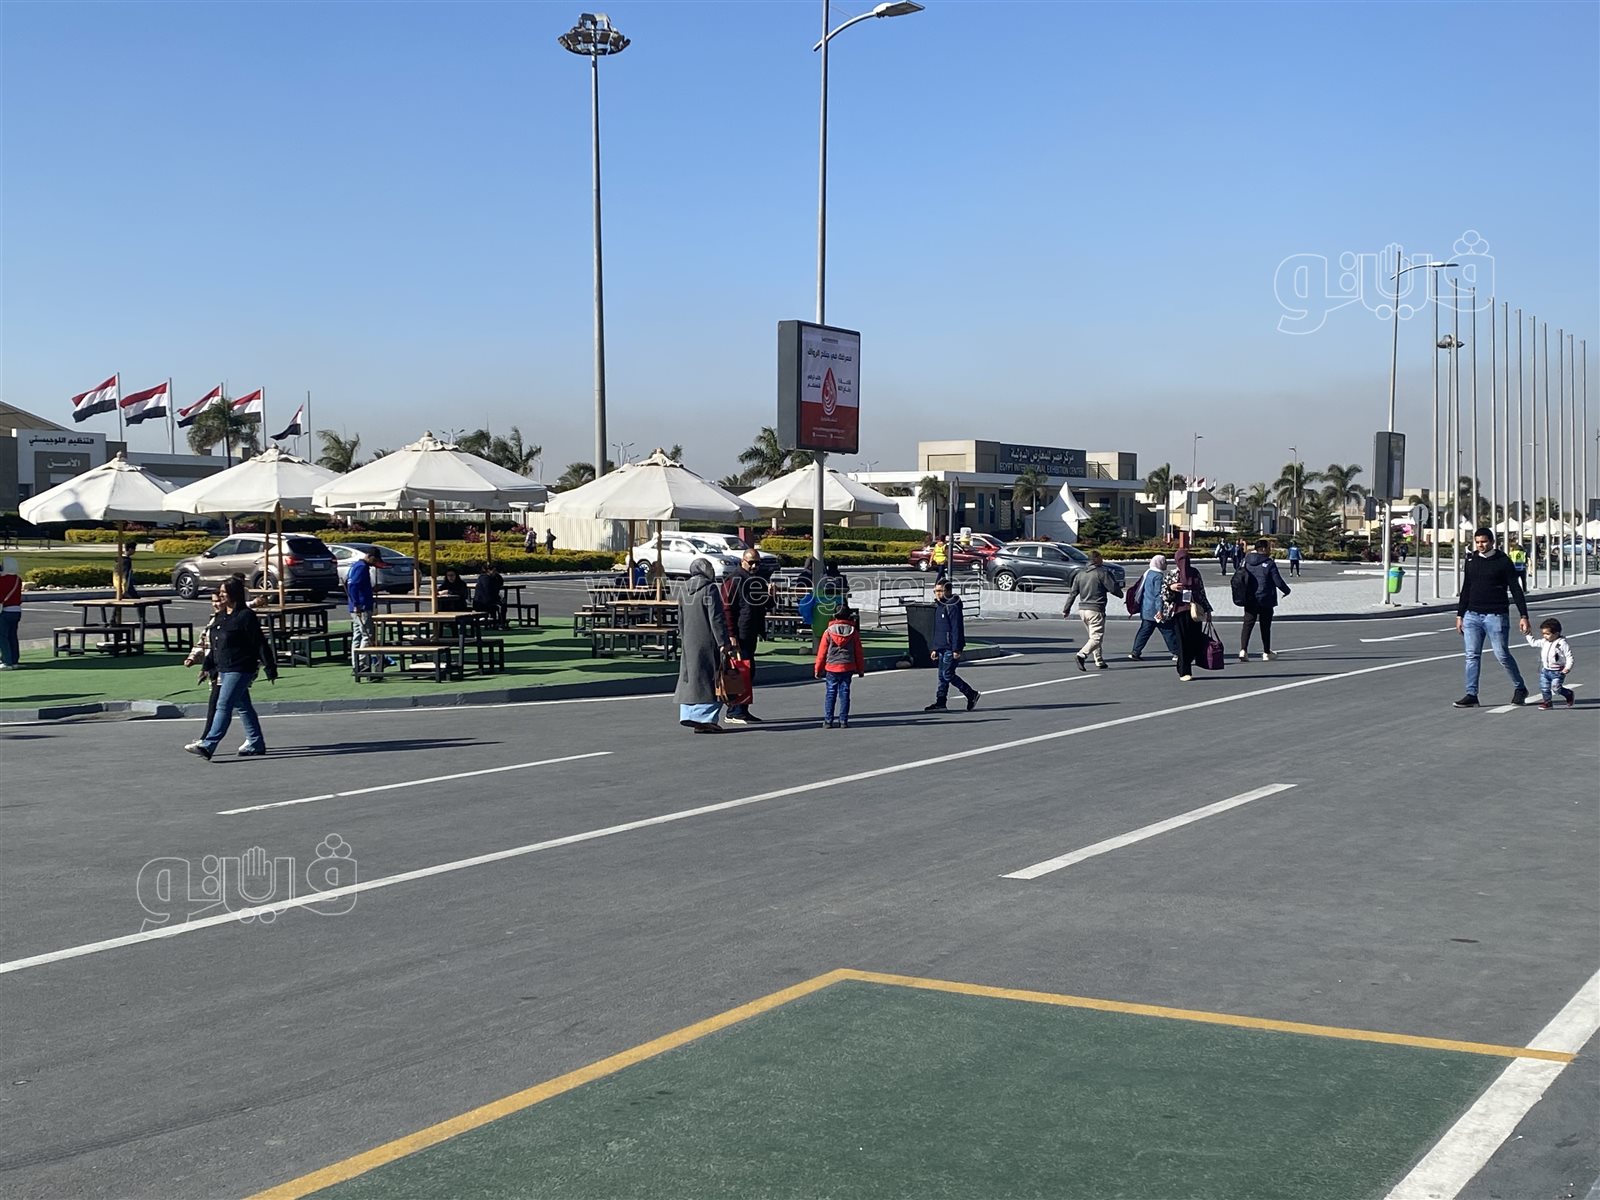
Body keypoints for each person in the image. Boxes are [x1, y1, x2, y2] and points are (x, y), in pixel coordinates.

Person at [184, 576, 277, 760]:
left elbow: (259, 643)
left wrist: (270, 665)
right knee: (243, 706)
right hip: (223, 667)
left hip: (241, 667)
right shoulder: (221, 616)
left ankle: (209, 745)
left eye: (224, 593)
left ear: (234, 594)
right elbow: (216, 644)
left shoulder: (245, 616)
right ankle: (256, 742)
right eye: (220, 592)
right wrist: (207, 665)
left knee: (223, 704)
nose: (221, 596)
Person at [1454, 527, 1530, 709]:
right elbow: (1466, 588)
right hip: (1472, 616)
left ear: (1492, 542)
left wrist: (1523, 615)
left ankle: (1520, 688)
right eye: (1477, 542)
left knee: (1502, 654)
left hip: (1496, 615)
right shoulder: (1471, 560)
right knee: (1472, 656)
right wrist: (1460, 614)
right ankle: (1471, 695)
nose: (1480, 545)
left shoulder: (1503, 561)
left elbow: (1516, 589)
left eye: (1484, 542)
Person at [675, 558, 735, 733]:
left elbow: (680, 618)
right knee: (712, 678)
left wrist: (684, 637)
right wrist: (723, 642)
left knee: (690, 678)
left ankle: (688, 714)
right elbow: (716, 618)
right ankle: (705, 719)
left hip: (689, 640)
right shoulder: (710, 589)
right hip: (708, 640)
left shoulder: (683, 589)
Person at [723, 550, 772, 724]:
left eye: (757, 563)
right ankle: (735, 710)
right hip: (740, 633)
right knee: (740, 671)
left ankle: (741, 709)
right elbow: (727, 608)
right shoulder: (734, 580)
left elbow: (765, 605)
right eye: (751, 562)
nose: (754, 566)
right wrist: (731, 634)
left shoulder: (757, 580)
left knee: (747, 671)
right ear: (742, 561)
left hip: (751, 631)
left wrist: (770, 594)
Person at [1062, 549, 1124, 670]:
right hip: (1096, 609)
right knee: (1096, 637)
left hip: (1083, 610)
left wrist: (1066, 609)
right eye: (1101, 557)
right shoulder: (1102, 573)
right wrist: (1120, 594)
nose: (1103, 560)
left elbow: (1073, 593)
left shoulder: (1080, 574)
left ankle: (1099, 660)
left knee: (1093, 636)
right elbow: (1113, 588)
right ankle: (1081, 655)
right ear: (1096, 559)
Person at [924, 578, 980, 711]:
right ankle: (941, 702)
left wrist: (956, 648)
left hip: (950, 647)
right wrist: (935, 648)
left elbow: (956, 628)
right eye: (935, 591)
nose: (937, 593)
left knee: (947, 674)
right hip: (941, 647)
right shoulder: (940, 605)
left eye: (940, 591)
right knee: (941, 677)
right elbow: (938, 629)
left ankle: (970, 693)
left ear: (948, 591)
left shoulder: (952, 606)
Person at [184, 585, 229, 730]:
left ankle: (207, 737)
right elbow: (203, 642)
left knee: (216, 704)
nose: (216, 604)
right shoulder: (214, 620)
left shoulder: (233, 619)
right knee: (242, 706)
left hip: (229, 670)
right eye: (213, 601)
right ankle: (254, 737)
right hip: (215, 669)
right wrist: (192, 658)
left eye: (219, 601)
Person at [1164, 547, 1213, 681]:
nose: (1184, 562)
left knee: (1194, 641)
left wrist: (1208, 610)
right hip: (1179, 612)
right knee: (1182, 642)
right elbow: (1164, 596)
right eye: (1181, 559)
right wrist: (1171, 588)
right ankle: (1184, 671)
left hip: (1195, 612)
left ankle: (1184, 663)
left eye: (1186, 559)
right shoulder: (1172, 574)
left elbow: (1201, 592)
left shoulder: (1195, 573)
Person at [814, 603, 865, 729]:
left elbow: (822, 653)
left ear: (834, 615)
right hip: (847, 665)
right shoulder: (853, 632)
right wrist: (860, 669)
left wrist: (818, 669)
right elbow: (858, 652)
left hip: (831, 666)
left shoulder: (828, 632)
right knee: (845, 693)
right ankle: (843, 720)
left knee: (830, 693)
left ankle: (828, 720)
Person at [1238, 539, 1291, 661]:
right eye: (1268, 547)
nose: (1270, 550)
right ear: (1263, 549)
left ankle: (1243, 650)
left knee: (1247, 624)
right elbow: (1278, 581)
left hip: (1250, 598)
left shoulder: (1246, 561)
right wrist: (1286, 590)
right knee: (1265, 626)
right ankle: (1266, 652)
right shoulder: (1269, 563)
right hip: (1265, 598)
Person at [1128, 554, 1179, 662]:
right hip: (1155, 611)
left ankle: (1135, 652)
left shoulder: (1148, 573)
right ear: (1159, 563)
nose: (1166, 564)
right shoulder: (1158, 576)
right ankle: (1177, 653)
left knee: (1144, 632)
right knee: (1168, 632)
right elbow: (1158, 595)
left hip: (1146, 609)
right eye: (1164, 562)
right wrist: (1160, 610)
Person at [347, 546, 383, 678]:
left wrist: (370, 589)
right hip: (362, 606)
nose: (375, 562)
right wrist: (357, 603)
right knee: (366, 635)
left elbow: (354, 584)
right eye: (375, 559)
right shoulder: (362, 567)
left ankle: (356, 664)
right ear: (369, 556)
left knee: (357, 635)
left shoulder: (356, 565)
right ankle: (362, 664)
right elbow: (353, 585)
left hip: (356, 605)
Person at [1526, 617, 1575, 710]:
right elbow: (1533, 643)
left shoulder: (1562, 644)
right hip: (1545, 670)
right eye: (1543, 634)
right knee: (1544, 687)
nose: (1545, 636)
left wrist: (1568, 667)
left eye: (1547, 634)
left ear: (1556, 633)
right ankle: (1547, 702)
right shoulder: (1544, 642)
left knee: (1556, 688)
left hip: (1558, 671)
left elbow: (1569, 657)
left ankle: (1568, 694)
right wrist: (1528, 634)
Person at [0, 556, 22, 670]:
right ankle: (14, 661)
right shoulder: (18, 579)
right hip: (16, 610)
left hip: (5, 610)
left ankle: (6, 661)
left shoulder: (2, 580)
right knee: (12, 636)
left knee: (2, 637)